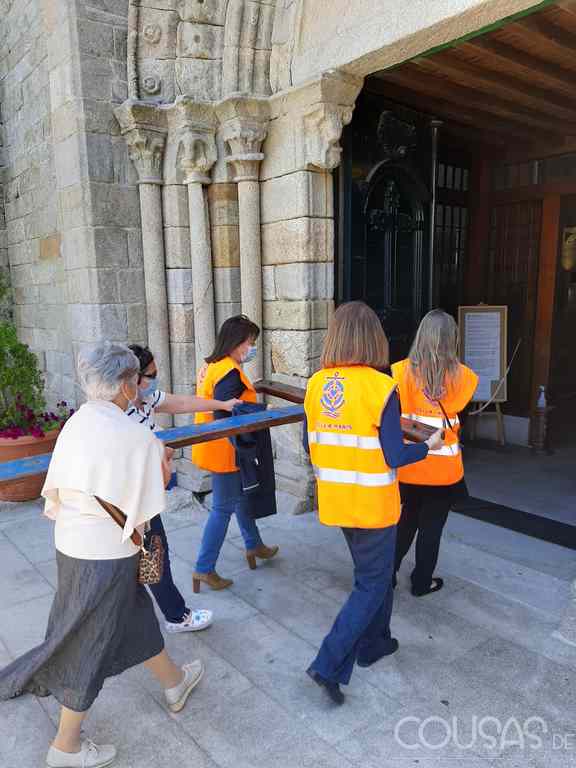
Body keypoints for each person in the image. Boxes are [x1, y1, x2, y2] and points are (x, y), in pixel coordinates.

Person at [0, 342, 205, 768]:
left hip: (71, 542)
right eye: (136, 380)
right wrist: (163, 464)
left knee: (130, 614)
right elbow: (149, 507)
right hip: (108, 553)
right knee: (90, 640)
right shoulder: (137, 436)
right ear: (126, 385)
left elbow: (55, 488)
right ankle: (66, 746)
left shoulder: (75, 422)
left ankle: (174, 682)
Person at [303, 302, 444, 705]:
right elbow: (395, 455)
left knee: (375, 576)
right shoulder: (383, 387)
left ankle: (375, 642)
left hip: (337, 499)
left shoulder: (316, 384)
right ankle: (327, 664)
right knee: (371, 583)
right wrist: (429, 446)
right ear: (373, 339)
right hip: (374, 504)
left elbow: (308, 443)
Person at [127, 344, 241, 632]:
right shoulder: (120, 414)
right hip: (132, 502)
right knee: (153, 556)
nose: (155, 378)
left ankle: (133, 616)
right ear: (133, 377)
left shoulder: (147, 399)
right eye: (151, 374)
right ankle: (176, 616)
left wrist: (221, 405)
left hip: (145, 498)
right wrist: (162, 455)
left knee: (145, 557)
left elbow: (183, 403)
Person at [392, 309, 478, 597]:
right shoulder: (465, 377)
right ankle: (421, 582)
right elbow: (460, 415)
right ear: (452, 338)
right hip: (444, 471)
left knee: (407, 519)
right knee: (432, 529)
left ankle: (386, 575)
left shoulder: (399, 371)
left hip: (411, 463)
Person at [191, 315, 279, 592]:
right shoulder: (229, 372)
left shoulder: (213, 365)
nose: (251, 348)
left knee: (239, 497)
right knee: (222, 508)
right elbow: (224, 411)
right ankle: (204, 568)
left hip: (213, 443)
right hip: (225, 448)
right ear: (236, 343)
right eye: (250, 343)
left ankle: (254, 545)